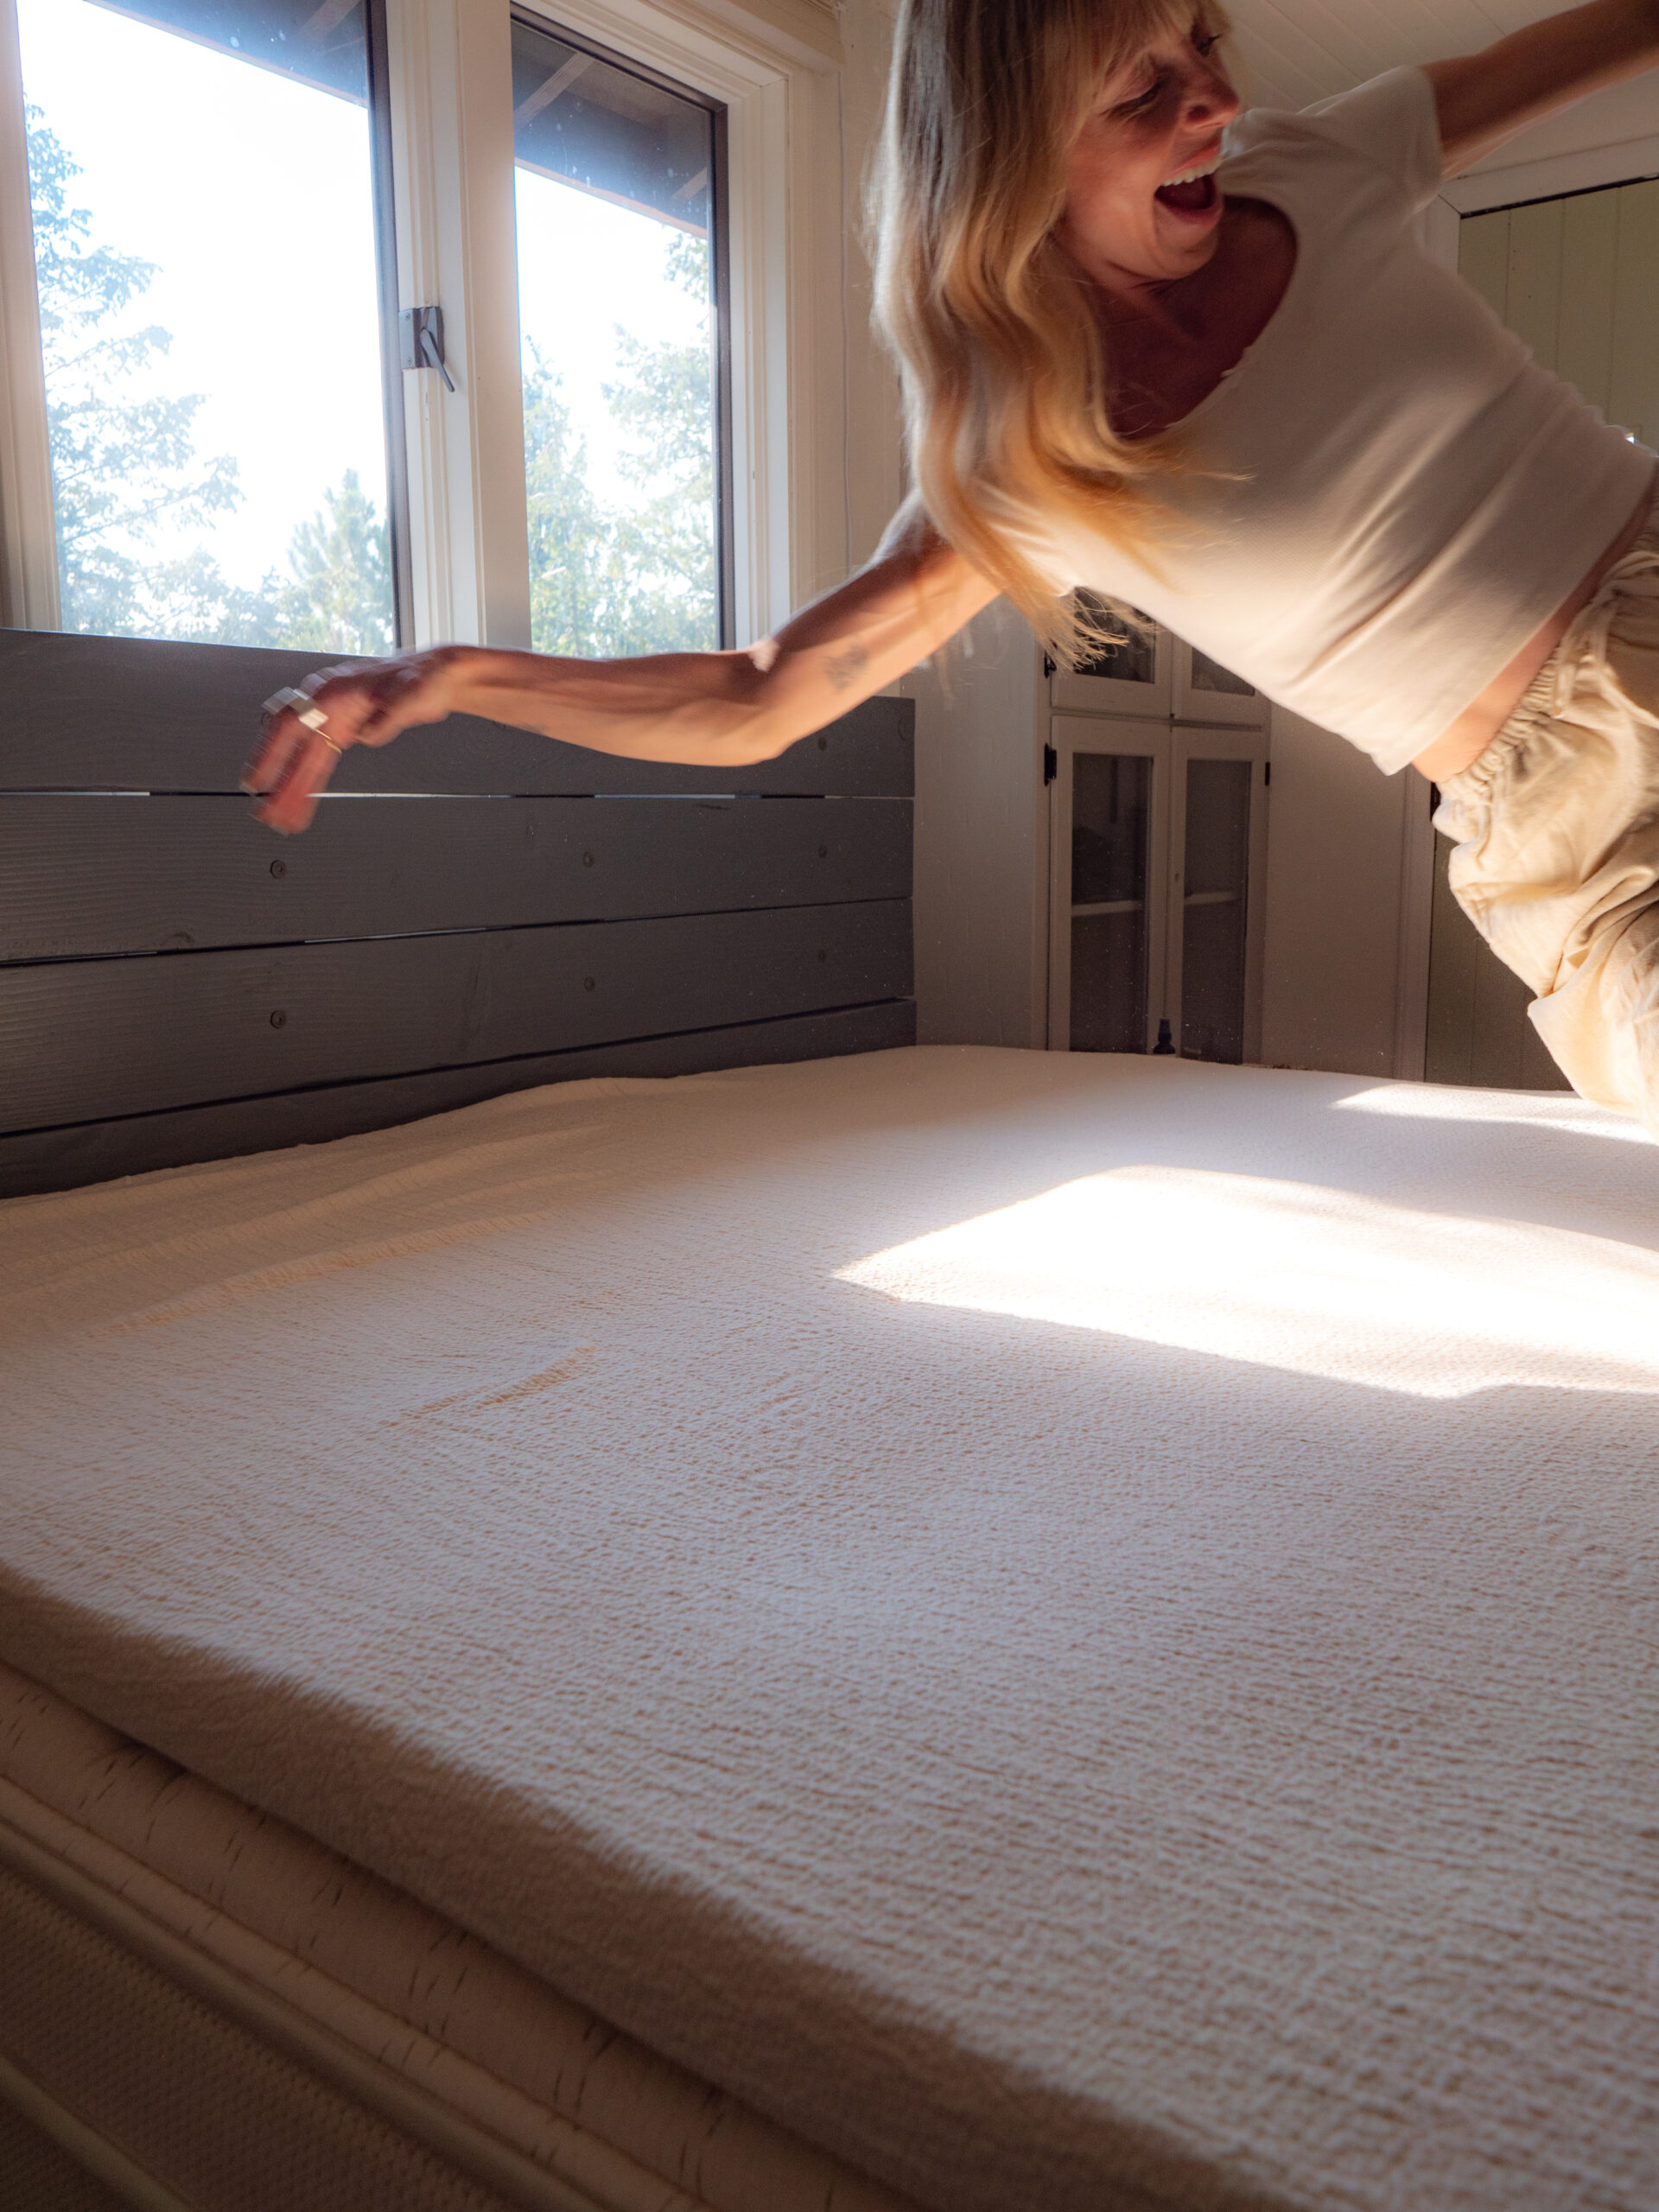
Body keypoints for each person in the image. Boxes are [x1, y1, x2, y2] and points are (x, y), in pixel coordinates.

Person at [245, 0, 1659, 1132]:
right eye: (1138, 90)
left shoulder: (1316, 163)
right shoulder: (1021, 465)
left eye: (1201, 51)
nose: (1212, 105)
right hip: (1577, 832)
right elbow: (762, 695)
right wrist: (463, 676)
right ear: (1012, 154)